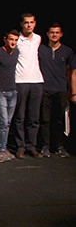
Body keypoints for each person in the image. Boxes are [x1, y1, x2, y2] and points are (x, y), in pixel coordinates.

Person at [38, 22, 73, 158]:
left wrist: (70, 90)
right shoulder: (41, 49)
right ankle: (45, 146)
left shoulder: (67, 51)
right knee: (45, 119)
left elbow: (69, 71)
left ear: (61, 34)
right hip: (45, 88)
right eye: (52, 32)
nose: (54, 35)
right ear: (47, 34)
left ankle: (59, 146)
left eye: (57, 32)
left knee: (60, 120)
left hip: (61, 89)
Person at [13, 12, 44, 159]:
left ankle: (31, 145)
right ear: (21, 24)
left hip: (36, 80)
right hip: (20, 81)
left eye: (31, 22)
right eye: (26, 22)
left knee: (34, 117)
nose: (29, 25)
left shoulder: (38, 38)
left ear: (35, 23)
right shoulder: (17, 40)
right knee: (20, 116)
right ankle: (20, 146)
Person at [0, 29, 20, 163]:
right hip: (0, 91)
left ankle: (3, 147)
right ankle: (0, 149)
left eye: (15, 40)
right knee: (3, 122)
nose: (13, 42)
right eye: (11, 39)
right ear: (5, 39)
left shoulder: (17, 52)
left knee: (7, 122)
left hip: (12, 91)